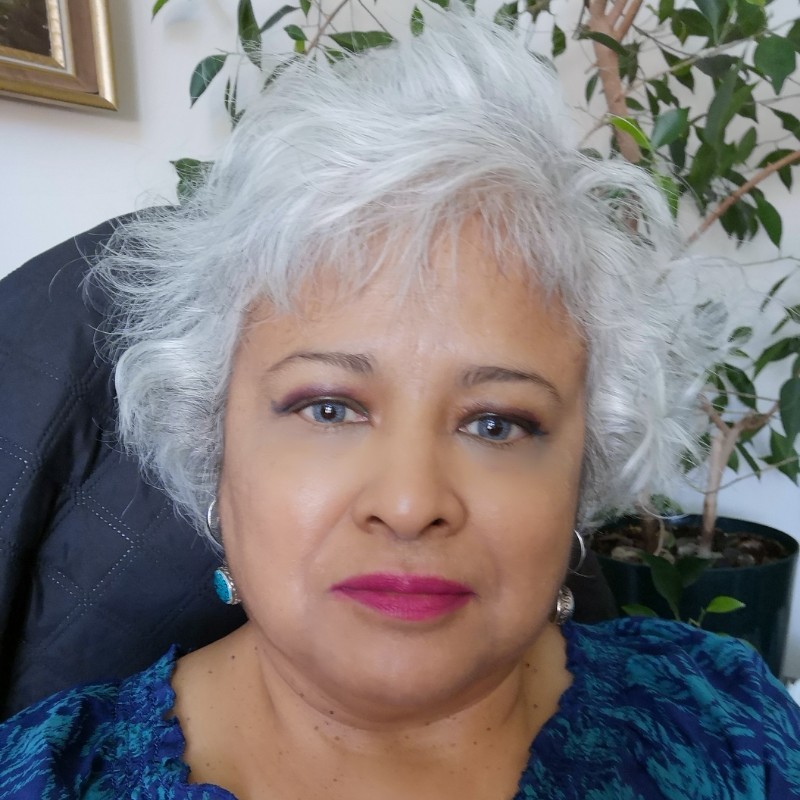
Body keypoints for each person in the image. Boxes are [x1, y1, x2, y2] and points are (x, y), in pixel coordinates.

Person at [0, 7, 798, 799]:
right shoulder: (52, 776)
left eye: (496, 423)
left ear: (581, 472)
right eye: (329, 408)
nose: (411, 504)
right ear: (213, 444)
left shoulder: (728, 726)